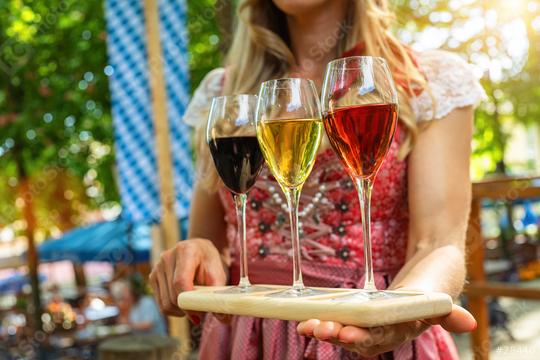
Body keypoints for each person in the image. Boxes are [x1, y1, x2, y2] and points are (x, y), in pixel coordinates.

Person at [150, 0, 485, 358]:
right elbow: (210, 241)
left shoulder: (429, 80)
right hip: (248, 337)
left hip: (375, 333)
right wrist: (198, 254)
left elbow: (436, 242)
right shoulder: (221, 91)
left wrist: (405, 309)